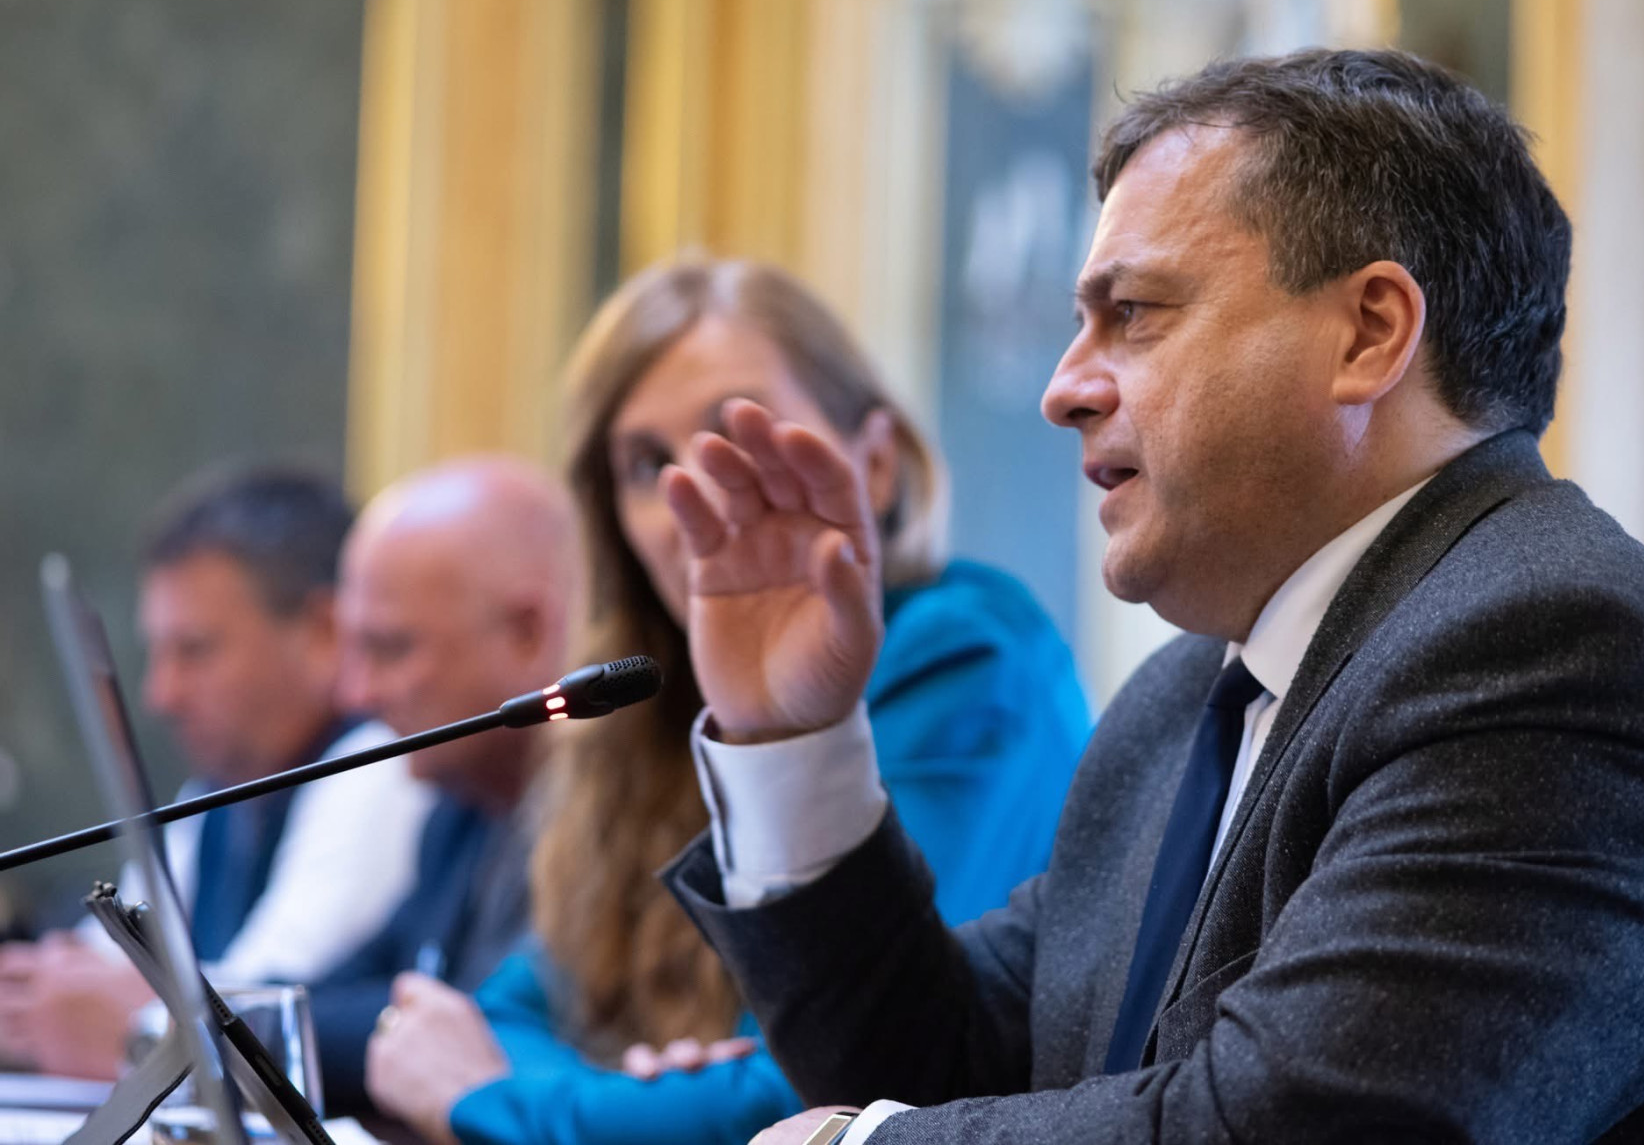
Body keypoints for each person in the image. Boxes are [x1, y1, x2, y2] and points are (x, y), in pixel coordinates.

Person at [649, 50, 1644, 1143]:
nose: (1063, 388)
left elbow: (1316, 1127)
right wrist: (791, 738)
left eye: (1134, 313)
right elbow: (952, 1066)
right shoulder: (1181, 702)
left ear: (1369, 333)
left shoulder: (1559, 653)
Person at [361, 258, 1090, 1145]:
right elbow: (508, 1014)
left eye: (740, 442)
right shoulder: (645, 711)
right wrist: (630, 1102)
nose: (690, 500)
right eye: (646, 466)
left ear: (875, 463)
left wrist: (492, 1107)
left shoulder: (962, 649)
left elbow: (840, 1096)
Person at [0, 466, 434, 1078]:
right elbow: (105, 970)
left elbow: (264, 1008)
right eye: (157, 654)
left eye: (195, 651)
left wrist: (124, 1018)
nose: (161, 695)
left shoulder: (378, 766)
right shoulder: (215, 797)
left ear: (323, 633)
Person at [306, 455, 585, 1114]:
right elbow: (348, 992)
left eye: (392, 648)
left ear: (529, 631)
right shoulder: (461, 809)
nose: (357, 694)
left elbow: (485, 1036)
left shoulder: (619, 822)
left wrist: (183, 1021)